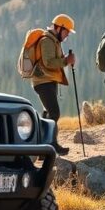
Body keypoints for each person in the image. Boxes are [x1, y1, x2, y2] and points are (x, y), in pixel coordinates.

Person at [31, 14, 77, 155]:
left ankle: (42, 148)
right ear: (59, 28)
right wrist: (66, 61)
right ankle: (51, 145)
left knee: (47, 113)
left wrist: (66, 60)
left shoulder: (53, 41)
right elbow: (48, 62)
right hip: (43, 81)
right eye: (66, 31)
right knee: (54, 113)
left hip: (48, 80)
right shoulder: (47, 41)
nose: (67, 35)